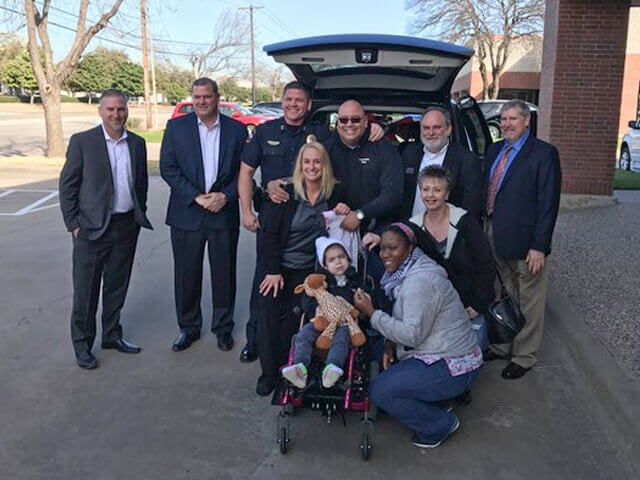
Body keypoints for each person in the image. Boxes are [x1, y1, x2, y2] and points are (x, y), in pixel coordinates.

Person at [237, 84, 383, 364]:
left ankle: (296, 355)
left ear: (308, 104)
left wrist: (375, 128)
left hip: (307, 231)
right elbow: (246, 171)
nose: (293, 105)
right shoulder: (265, 131)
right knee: (266, 288)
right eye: (289, 100)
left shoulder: (322, 133)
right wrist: (247, 210)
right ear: (282, 102)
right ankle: (255, 341)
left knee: (300, 305)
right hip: (275, 221)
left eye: (299, 100)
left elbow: (350, 134)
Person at [354, 223, 482, 448]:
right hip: (439, 351)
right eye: (382, 248)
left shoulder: (419, 283)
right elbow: (408, 320)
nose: (385, 255)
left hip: (453, 364)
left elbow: (411, 335)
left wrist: (371, 313)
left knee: (381, 391)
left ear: (410, 248)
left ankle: (439, 425)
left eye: (392, 248)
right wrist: (389, 343)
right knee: (377, 358)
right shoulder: (408, 272)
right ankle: (438, 400)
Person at [59, 89, 152, 369]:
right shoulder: (83, 142)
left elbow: (141, 184)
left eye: (121, 109)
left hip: (125, 227)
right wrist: (74, 225)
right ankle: (83, 346)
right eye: (110, 109)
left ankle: (112, 334)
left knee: (116, 286)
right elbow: (67, 187)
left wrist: (139, 213)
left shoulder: (136, 143)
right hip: (91, 230)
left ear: (127, 110)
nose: (116, 114)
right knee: (86, 292)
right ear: (100, 111)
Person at [159, 78, 248, 353]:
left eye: (206, 97)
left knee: (224, 274)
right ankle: (189, 328)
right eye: (196, 97)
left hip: (223, 213)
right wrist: (196, 196)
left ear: (217, 98)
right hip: (187, 213)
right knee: (186, 275)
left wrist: (226, 196)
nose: (201, 102)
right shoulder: (177, 127)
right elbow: (168, 167)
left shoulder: (236, 130)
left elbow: (244, 173)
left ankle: (223, 328)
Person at [255, 141, 350, 396]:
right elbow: (268, 235)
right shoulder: (285, 192)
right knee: (269, 317)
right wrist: (273, 270)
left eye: (317, 162)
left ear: (324, 165)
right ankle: (269, 374)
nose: (312, 167)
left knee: (299, 322)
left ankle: (296, 370)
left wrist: (348, 211)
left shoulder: (334, 194)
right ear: (300, 165)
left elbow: (352, 221)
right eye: (306, 162)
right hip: (279, 266)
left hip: (312, 271)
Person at [483, 99, 562, 379]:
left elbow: (548, 203)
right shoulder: (494, 150)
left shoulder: (543, 153)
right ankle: (504, 345)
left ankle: (524, 355)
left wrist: (539, 246)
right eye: (503, 120)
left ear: (526, 121)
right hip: (494, 231)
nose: (506, 124)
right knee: (504, 292)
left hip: (527, 241)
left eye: (512, 119)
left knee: (529, 297)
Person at [282, 238, 361, 389]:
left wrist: (362, 300)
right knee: (304, 334)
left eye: (342, 257)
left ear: (349, 259)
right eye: (332, 260)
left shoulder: (355, 281)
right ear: (325, 265)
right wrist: (316, 314)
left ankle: (331, 369)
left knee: (342, 337)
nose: (338, 262)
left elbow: (363, 303)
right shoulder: (318, 281)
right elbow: (307, 299)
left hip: (344, 323)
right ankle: (300, 367)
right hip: (321, 321)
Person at [325, 99, 404, 233]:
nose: (349, 124)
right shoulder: (325, 149)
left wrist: (360, 215)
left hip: (376, 230)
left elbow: (393, 194)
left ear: (366, 121)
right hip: (333, 227)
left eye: (355, 120)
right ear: (337, 122)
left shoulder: (384, 148)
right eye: (343, 120)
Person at [400, 107, 483, 221]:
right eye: (426, 128)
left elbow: (472, 206)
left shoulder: (466, 159)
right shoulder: (409, 153)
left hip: (446, 233)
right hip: (410, 230)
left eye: (437, 127)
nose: (431, 132)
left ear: (448, 129)